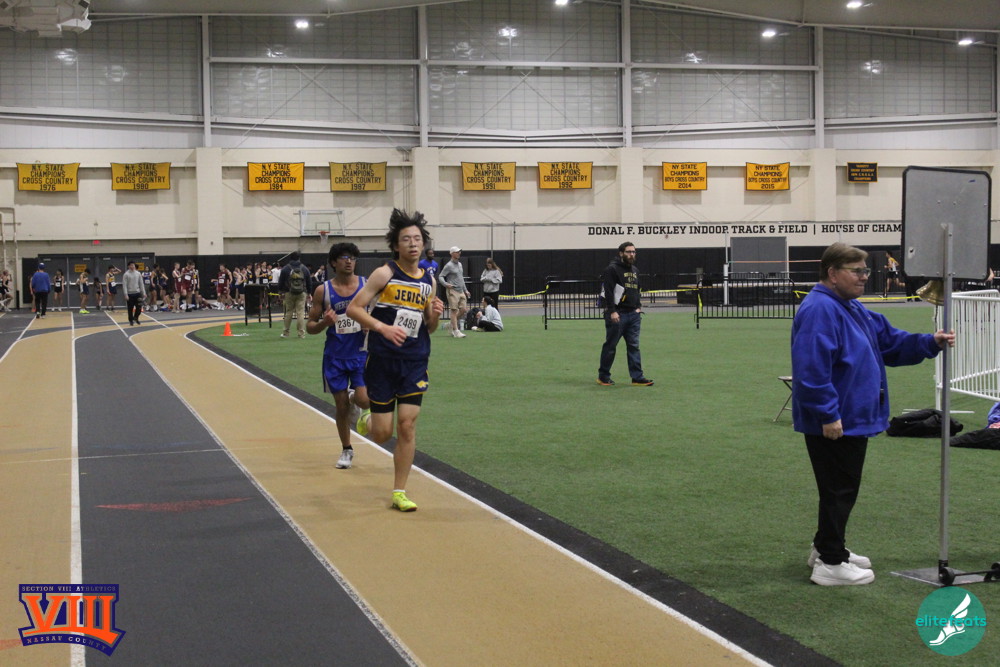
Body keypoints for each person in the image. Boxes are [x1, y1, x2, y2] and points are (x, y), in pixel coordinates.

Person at [791, 242, 955, 587]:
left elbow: (889, 342)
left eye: (865, 270)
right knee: (839, 490)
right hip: (838, 420)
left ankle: (826, 547)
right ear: (832, 273)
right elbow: (811, 369)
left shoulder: (850, 307)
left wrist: (930, 342)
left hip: (851, 417)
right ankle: (830, 563)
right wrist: (828, 414)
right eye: (857, 271)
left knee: (840, 488)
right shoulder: (821, 310)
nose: (864, 277)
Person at [347, 209, 444, 512]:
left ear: (423, 243)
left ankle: (399, 492)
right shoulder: (384, 274)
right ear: (396, 245)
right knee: (382, 433)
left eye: (417, 238)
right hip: (383, 360)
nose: (413, 244)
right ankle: (364, 417)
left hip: (415, 361)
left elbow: (428, 327)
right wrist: (382, 328)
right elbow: (354, 309)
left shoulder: (429, 280)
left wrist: (435, 316)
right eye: (406, 239)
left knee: (407, 425)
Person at [307, 242, 370, 470]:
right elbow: (310, 326)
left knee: (364, 400)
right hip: (335, 356)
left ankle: (355, 397)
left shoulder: (366, 285)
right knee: (341, 406)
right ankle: (347, 449)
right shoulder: (323, 291)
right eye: (344, 257)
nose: (349, 261)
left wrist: (370, 324)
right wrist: (324, 322)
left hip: (361, 353)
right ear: (333, 262)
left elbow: (381, 314)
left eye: (352, 257)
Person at [597, 242, 653, 386]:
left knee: (634, 346)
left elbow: (637, 289)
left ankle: (637, 377)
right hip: (618, 314)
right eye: (628, 252)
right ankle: (603, 376)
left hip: (633, 315)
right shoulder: (612, 269)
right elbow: (608, 292)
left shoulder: (635, 270)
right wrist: (612, 311)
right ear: (621, 253)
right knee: (610, 346)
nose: (631, 254)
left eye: (633, 252)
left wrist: (638, 307)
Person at [439, 246, 470, 338]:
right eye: (457, 252)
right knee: (454, 310)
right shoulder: (448, 265)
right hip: (452, 290)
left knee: (463, 310)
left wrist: (465, 290)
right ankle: (456, 331)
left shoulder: (460, 264)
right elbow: (441, 276)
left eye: (459, 251)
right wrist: (446, 284)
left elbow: (461, 278)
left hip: (461, 290)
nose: (459, 253)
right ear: (452, 254)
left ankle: (451, 324)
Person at [279, 251, 310, 339]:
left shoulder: (285, 268)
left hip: (289, 292)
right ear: (299, 258)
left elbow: (281, 282)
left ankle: (286, 333)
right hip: (302, 293)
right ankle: (301, 334)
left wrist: (280, 292)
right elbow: (309, 281)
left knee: (288, 312)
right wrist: (309, 292)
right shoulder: (304, 268)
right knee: (300, 313)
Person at [122, 261, 146, 326]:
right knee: (130, 308)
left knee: (139, 308)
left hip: (137, 293)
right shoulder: (126, 274)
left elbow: (141, 284)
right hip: (130, 294)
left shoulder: (138, 273)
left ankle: (136, 318)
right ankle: (131, 320)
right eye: (131, 265)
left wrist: (144, 293)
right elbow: (124, 285)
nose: (132, 266)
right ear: (128, 266)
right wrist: (126, 294)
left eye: (133, 265)